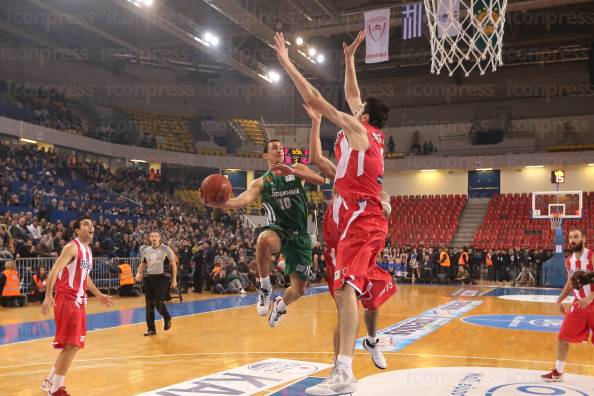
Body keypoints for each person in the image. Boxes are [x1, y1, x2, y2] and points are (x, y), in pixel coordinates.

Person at [274, 30, 393, 394]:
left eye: (358, 106)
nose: (352, 103)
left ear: (364, 115)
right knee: (346, 294)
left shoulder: (358, 130)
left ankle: (345, 373)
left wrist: (286, 61)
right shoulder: (367, 136)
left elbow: (316, 98)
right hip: (348, 216)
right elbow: (353, 93)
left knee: (345, 292)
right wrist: (349, 59)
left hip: (361, 217)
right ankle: (348, 360)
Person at [203, 138, 323, 326]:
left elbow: (320, 179)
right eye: (274, 147)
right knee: (263, 240)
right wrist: (219, 203)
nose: (280, 150)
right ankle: (265, 287)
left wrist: (293, 171)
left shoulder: (296, 168)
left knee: (299, 289)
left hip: (299, 234)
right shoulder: (261, 182)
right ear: (265, 155)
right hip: (278, 229)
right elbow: (242, 200)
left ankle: (280, 306)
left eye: (281, 147)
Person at [40, 216, 113, 396]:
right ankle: (56, 389)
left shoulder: (88, 251)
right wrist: (48, 296)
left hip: (79, 301)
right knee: (72, 344)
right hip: (67, 299)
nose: (91, 227)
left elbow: (85, 278)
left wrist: (99, 294)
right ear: (77, 230)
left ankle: (50, 381)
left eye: (92, 225)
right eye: (86, 224)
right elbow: (54, 271)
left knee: (73, 345)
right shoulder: (71, 247)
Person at [542, 229, 594, 382]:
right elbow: (571, 283)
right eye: (570, 237)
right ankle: (558, 372)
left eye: (576, 236)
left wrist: (590, 297)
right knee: (562, 338)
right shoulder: (569, 261)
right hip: (578, 304)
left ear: (584, 239)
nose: (572, 240)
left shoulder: (591, 257)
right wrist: (559, 300)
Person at [135, 231, 177, 336]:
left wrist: (174, 279)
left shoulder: (166, 249)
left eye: (156, 236)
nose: (154, 238)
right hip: (150, 278)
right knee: (149, 304)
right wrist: (138, 273)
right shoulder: (146, 250)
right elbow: (143, 263)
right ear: (149, 238)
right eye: (152, 236)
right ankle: (151, 329)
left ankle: (167, 317)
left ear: (159, 238)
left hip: (163, 278)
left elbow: (173, 264)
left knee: (159, 302)